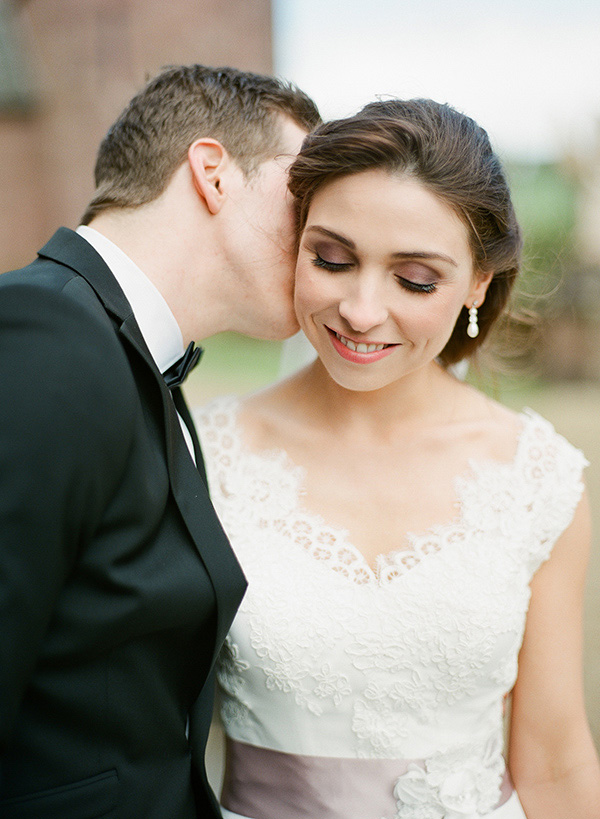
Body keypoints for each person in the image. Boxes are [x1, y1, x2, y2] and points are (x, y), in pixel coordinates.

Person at [195, 99, 600, 818]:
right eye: (331, 258)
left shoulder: (541, 479)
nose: (360, 308)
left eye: (414, 279)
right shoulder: (207, 454)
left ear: (478, 283)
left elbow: (557, 758)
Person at [0, 64, 320, 819]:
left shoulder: (140, 362)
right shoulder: (42, 336)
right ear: (213, 173)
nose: (321, 240)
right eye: (304, 197)